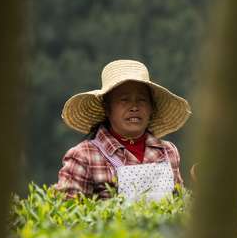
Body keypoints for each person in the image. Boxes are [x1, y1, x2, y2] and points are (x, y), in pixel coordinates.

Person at [55, 59, 191, 199]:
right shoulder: (84, 156)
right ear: (107, 109)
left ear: (151, 108)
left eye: (142, 100)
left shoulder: (168, 152)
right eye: (124, 100)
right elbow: (67, 212)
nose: (134, 107)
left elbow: (179, 206)